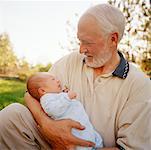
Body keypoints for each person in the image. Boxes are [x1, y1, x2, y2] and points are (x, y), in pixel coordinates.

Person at [0, 3, 151, 150]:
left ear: (113, 39)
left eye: (87, 42)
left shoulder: (140, 85)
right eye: (80, 41)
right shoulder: (70, 61)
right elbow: (31, 93)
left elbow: (130, 147)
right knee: (11, 116)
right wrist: (47, 125)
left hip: (92, 147)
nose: (81, 49)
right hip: (49, 142)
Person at [26, 72, 103, 149]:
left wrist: (64, 94)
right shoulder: (46, 98)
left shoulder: (54, 95)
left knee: (93, 138)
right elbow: (53, 110)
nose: (58, 80)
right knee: (83, 143)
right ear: (42, 90)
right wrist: (67, 97)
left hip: (83, 126)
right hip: (75, 131)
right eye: (53, 79)